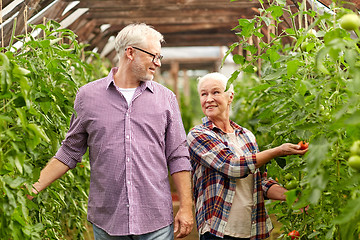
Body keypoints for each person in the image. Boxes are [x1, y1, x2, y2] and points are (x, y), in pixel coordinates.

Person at [29, 23, 194, 239]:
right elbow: (69, 152)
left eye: (159, 57)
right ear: (130, 52)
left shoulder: (165, 99)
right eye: (154, 56)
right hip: (108, 220)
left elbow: (178, 156)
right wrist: (31, 188)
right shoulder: (88, 96)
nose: (158, 63)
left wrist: (186, 207)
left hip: (155, 219)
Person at [186, 72, 308, 240]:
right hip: (218, 230)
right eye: (203, 94)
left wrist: (290, 196)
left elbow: (259, 181)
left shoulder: (246, 136)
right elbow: (232, 166)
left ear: (230, 97)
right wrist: (277, 151)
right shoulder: (198, 134)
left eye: (215, 92)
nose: (208, 99)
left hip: (251, 229)